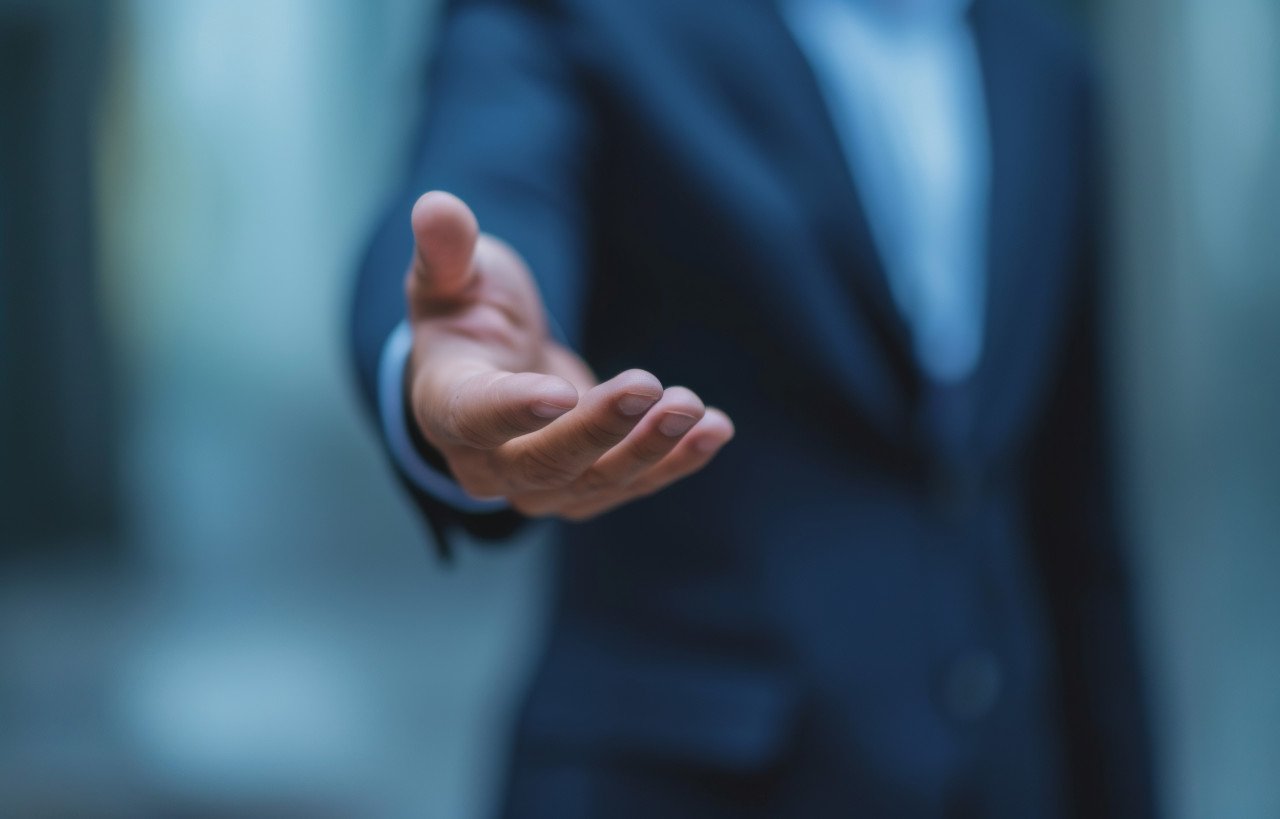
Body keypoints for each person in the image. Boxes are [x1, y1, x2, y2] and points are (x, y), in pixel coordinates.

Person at [350, 0, 1157, 815]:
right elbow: (490, 178)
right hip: (684, 783)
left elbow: (1076, 521)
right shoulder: (584, 16)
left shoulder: (1050, 66)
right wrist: (454, 350)